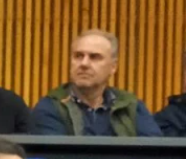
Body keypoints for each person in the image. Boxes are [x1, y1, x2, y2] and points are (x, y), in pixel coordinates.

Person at [32, 30, 161, 137]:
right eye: (78, 56)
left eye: (94, 57)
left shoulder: (130, 106)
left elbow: (155, 153)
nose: (84, 64)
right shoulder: (51, 107)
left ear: (113, 67)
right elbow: (57, 156)